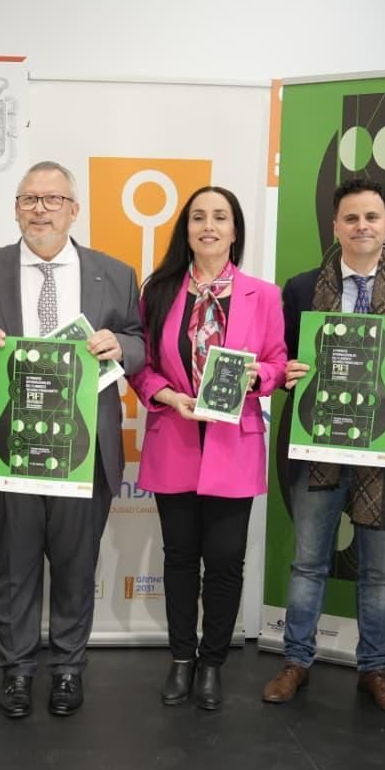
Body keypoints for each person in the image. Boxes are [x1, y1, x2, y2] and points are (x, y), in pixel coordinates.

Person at [0, 161, 142, 719]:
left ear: (74, 209)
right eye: (29, 199)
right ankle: (16, 670)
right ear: (15, 208)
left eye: (53, 199)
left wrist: (122, 347)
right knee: (13, 567)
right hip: (9, 449)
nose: (40, 209)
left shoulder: (115, 273)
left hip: (83, 450)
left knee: (75, 566)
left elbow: (140, 342)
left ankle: (68, 667)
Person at [264, 177, 385, 716]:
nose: (363, 226)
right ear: (336, 226)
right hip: (318, 448)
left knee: (378, 572)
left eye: (372, 217)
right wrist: (286, 373)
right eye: (352, 218)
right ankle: (296, 660)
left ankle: (375, 669)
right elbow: (279, 357)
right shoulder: (300, 288)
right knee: (308, 564)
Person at [128, 187, 287, 709]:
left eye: (220, 217)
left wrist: (254, 378)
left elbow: (277, 361)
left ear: (235, 230)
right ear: (187, 230)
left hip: (233, 444)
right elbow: (142, 368)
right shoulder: (159, 292)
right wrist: (169, 396)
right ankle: (181, 658)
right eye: (199, 217)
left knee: (224, 561)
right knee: (179, 558)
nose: (209, 226)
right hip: (174, 437)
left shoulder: (263, 295)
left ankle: (212, 663)